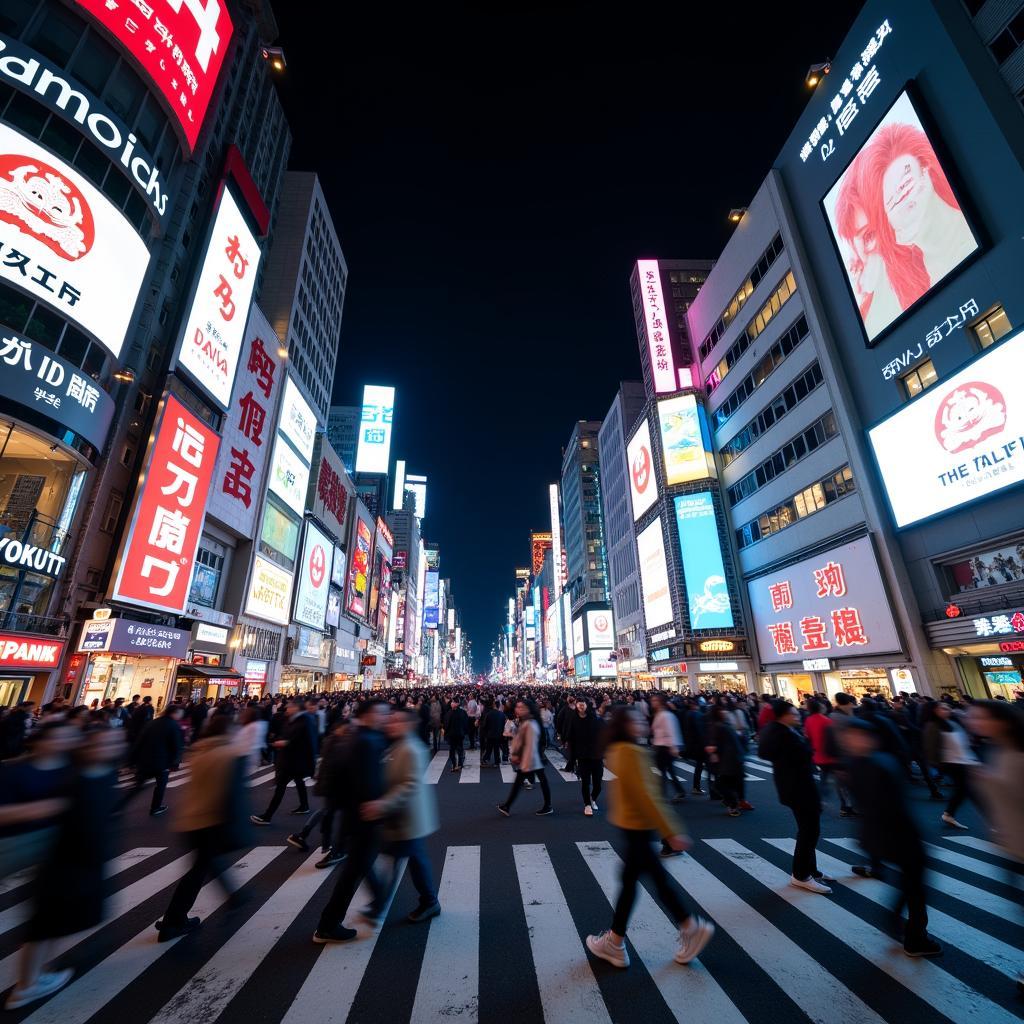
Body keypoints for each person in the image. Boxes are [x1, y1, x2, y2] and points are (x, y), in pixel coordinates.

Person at [585, 705, 714, 970]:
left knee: (637, 882)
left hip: (635, 826)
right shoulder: (630, 752)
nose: (643, 722)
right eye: (635, 720)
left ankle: (620, 941)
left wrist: (670, 830)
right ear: (623, 725)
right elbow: (648, 795)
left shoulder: (621, 751)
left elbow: (646, 795)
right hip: (636, 824)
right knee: (643, 881)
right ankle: (623, 940)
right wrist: (670, 829)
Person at [5, 727, 124, 1010]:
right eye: (105, 741)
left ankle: (33, 978)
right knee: (47, 922)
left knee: (51, 922)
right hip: (64, 861)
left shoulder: (94, 773)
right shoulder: (75, 778)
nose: (114, 746)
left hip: (75, 861)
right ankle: (29, 983)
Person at [842, 719, 941, 957]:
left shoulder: (856, 765)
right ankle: (915, 937)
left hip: (883, 834)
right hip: (898, 834)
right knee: (915, 886)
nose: (853, 740)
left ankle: (898, 921)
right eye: (850, 736)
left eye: (857, 735)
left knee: (912, 884)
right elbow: (892, 805)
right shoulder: (878, 764)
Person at [155, 716, 252, 940]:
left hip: (189, 819)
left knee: (200, 868)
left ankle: (175, 919)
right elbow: (233, 796)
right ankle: (234, 898)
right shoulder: (228, 755)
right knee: (202, 867)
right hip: (210, 820)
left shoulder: (199, 750)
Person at [313, 702, 389, 943]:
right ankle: (329, 923)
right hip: (364, 814)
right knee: (356, 867)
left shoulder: (358, 737)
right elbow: (366, 780)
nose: (385, 717)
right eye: (381, 712)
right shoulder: (365, 741)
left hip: (354, 814)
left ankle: (375, 903)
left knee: (358, 865)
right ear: (368, 715)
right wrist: (376, 804)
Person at [360, 709, 441, 923]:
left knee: (394, 861)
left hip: (407, 817)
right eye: (390, 719)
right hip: (401, 817)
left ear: (408, 724)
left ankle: (382, 905)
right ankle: (427, 901)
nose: (390, 723)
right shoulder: (396, 744)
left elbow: (410, 785)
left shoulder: (411, 749)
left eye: (396, 721)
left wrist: (382, 804)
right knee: (411, 859)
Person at [758, 700, 832, 894]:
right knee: (809, 831)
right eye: (793, 713)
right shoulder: (783, 735)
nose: (798, 716)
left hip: (793, 787)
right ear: (782, 715)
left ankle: (811, 870)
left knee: (807, 830)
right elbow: (800, 758)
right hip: (800, 788)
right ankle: (801, 875)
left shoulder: (775, 731)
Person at [251, 699, 318, 825]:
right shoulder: (293, 719)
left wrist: (286, 743)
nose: (287, 709)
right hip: (291, 761)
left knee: (280, 788)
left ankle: (267, 816)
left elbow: (308, 743)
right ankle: (304, 806)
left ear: (296, 708)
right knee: (298, 782)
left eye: (289, 707)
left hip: (294, 761)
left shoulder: (305, 720)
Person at [119, 704, 184, 816]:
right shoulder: (173, 725)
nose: (180, 715)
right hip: (162, 762)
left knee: (137, 786)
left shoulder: (153, 722)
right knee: (160, 786)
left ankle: (119, 807)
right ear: (174, 713)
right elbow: (177, 746)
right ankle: (155, 808)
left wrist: (131, 760)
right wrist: (175, 763)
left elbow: (139, 741)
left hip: (145, 760)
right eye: (179, 713)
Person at [922, 701, 978, 830]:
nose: (947, 709)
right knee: (968, 789)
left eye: (947, 707)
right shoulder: (933, 726)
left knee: (966, 789)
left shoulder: (951, 722)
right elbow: (930, 749)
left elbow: (963, 742)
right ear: (935, 711)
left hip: (963, 760)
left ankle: (949, 814)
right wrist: (937, 767)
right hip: (952, 763)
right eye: (943, 708)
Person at [497, 700, 552, 817]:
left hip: (530, 759)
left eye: (521, 708)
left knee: (532, 782)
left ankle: (508, 805)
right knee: (539, 781)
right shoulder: (527, 721)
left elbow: (530, 745)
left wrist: (523, 761)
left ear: (528, 709)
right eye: (517, 707)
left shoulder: (530, 724)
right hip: (530, 759)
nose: (518, 709)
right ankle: (507, 805)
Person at [803, 699, 854, 818]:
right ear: (820, 708)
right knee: (841, 782)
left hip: (818, 755)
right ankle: (845, 807)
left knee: (824, 780)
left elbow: (807, 736)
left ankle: (819, 802)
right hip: (832, 755)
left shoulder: (809, 720)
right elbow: (834, 739)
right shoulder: (826, 720)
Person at [704, 705, 747, 817]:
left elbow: (713, 745)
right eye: (721, 710)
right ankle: (733, 801)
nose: (724, 712)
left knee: (720, 785)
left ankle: (732, 804)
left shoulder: (718, 726)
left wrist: (711, 750)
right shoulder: (724, 725)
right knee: (729, 782)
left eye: (723, 710)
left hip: (729, 760)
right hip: (734, 758)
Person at [567, 698, 604, 816]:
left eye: (582, 704)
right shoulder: (574, 719)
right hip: (583, 756)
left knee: (598, 784)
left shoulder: (595, 718)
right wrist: (572, 757)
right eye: (579, 704)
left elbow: (604, 732)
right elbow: (571, 737)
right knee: (585, 782)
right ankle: (587, 804)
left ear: (587, 706)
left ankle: (592, 798)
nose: (580, 706)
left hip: (596, 755)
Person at [650, 695, 686, 804]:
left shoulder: (665, 715)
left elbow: (671, 731)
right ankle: (678, 790)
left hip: (665, 747)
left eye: (655, 700)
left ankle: (662, 794)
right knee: (667, 770)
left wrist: (673, 746)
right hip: (662, 746)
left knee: (663, 770)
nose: (652, 702)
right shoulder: (660, 714)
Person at [443, 699, 468, 773]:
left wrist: (446, 732)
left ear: (457, 703)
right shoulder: (462, 712)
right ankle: (458, 764)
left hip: (453, 734)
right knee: (458, 749)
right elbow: (466, 723)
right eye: (452, 702)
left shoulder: (450, 713)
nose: (452, 703)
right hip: (459, 734)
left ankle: (455, 765)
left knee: (454, 750)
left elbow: (446, 725)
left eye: (453, 702)